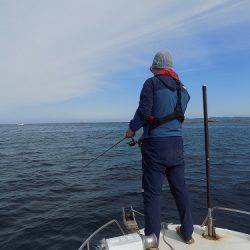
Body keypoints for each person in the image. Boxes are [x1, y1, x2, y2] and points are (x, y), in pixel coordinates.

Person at [125, 51, 194, 248]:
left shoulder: (151, 83)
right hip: (176, 144)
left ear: (156, 67)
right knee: (180, 189)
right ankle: (187, 233)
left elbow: (143, 111)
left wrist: (131, 129)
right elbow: (179, 110)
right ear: (170, 67)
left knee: (152, 194)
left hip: (155, 146)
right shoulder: (183, 89)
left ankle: (153, 240)